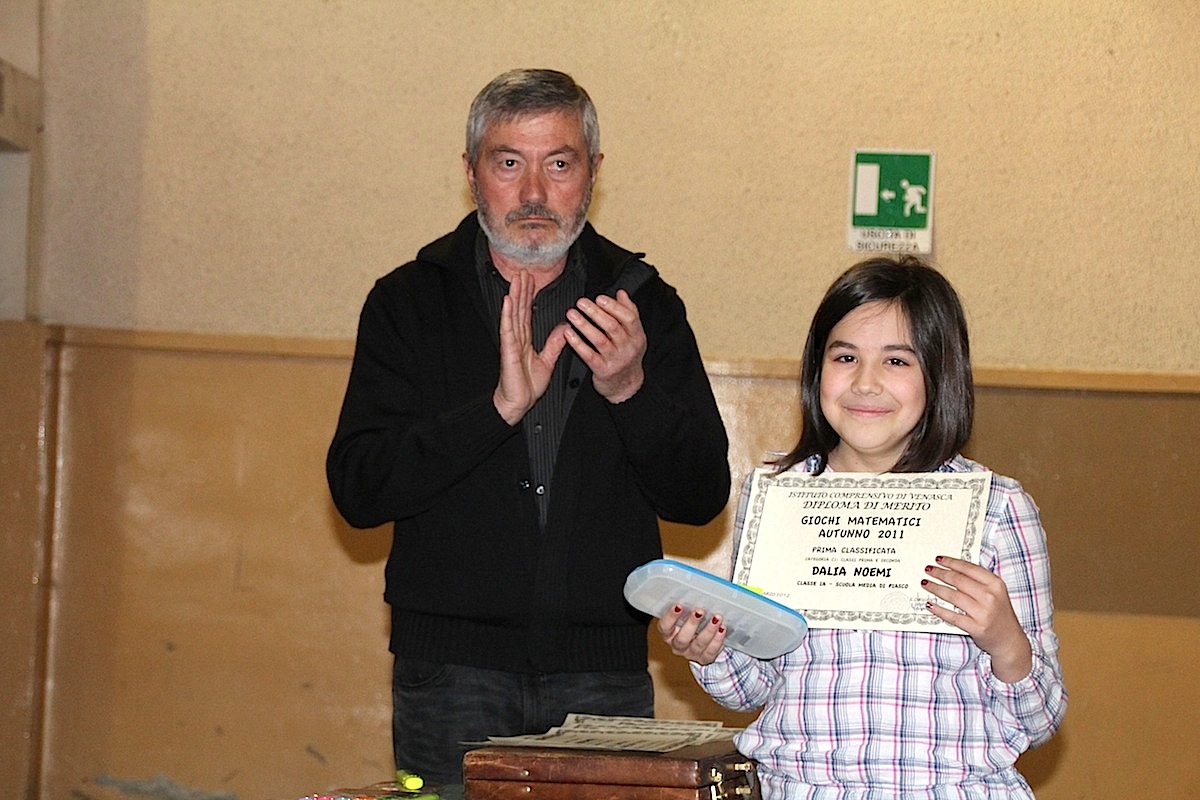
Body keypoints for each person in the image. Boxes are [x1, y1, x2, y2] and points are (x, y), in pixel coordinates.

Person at [326, 68, 730, 784]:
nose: (535, 192)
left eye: (560, 164)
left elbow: (701, 495)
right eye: (509, 163)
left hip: (604, 674)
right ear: (472, 174)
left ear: (593, 173)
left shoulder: (644, 305)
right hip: (448, 675)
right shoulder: (408, 302)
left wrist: (630, 391)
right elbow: (359, 490)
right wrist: (496, 413)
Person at [658, 256, 1066, 799]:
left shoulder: (997, 508)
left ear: (939, 375)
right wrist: (709, 648)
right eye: (845, 357)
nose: (865, 383)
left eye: (896, 361)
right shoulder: (778, 498)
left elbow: (1039, 720)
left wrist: (1006, 641)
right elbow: (753, 688)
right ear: (816, 370)